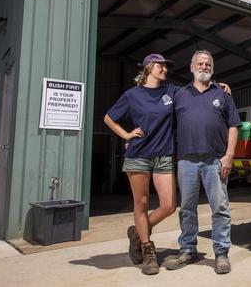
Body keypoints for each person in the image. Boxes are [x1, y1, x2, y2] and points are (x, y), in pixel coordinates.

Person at [166, 50, 241, 274]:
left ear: (212, 68)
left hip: (215, 160)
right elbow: (164, 122)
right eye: (200, 63)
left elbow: (234, 125)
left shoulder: (223, 93)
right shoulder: (179, 94)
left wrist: (229, 155)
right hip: (186, 160)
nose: (204, 66)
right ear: (191, 67)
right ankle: (188, 250)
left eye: (208, 64)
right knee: (187, 208)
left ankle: (221, 253)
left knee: (220, 207)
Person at [103, 53, 178, 275]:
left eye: (166, 66)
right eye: (160, 66)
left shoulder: (171, 92)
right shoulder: (132, 95)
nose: (164, 69)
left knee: (169, 205)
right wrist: (126, 135)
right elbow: (109, 118)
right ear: (148, 69)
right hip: (139, 155)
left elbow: (194, 91)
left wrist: (216, 85)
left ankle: (136, 232)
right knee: (141, 204)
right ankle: (147, 249)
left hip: (164, 154)